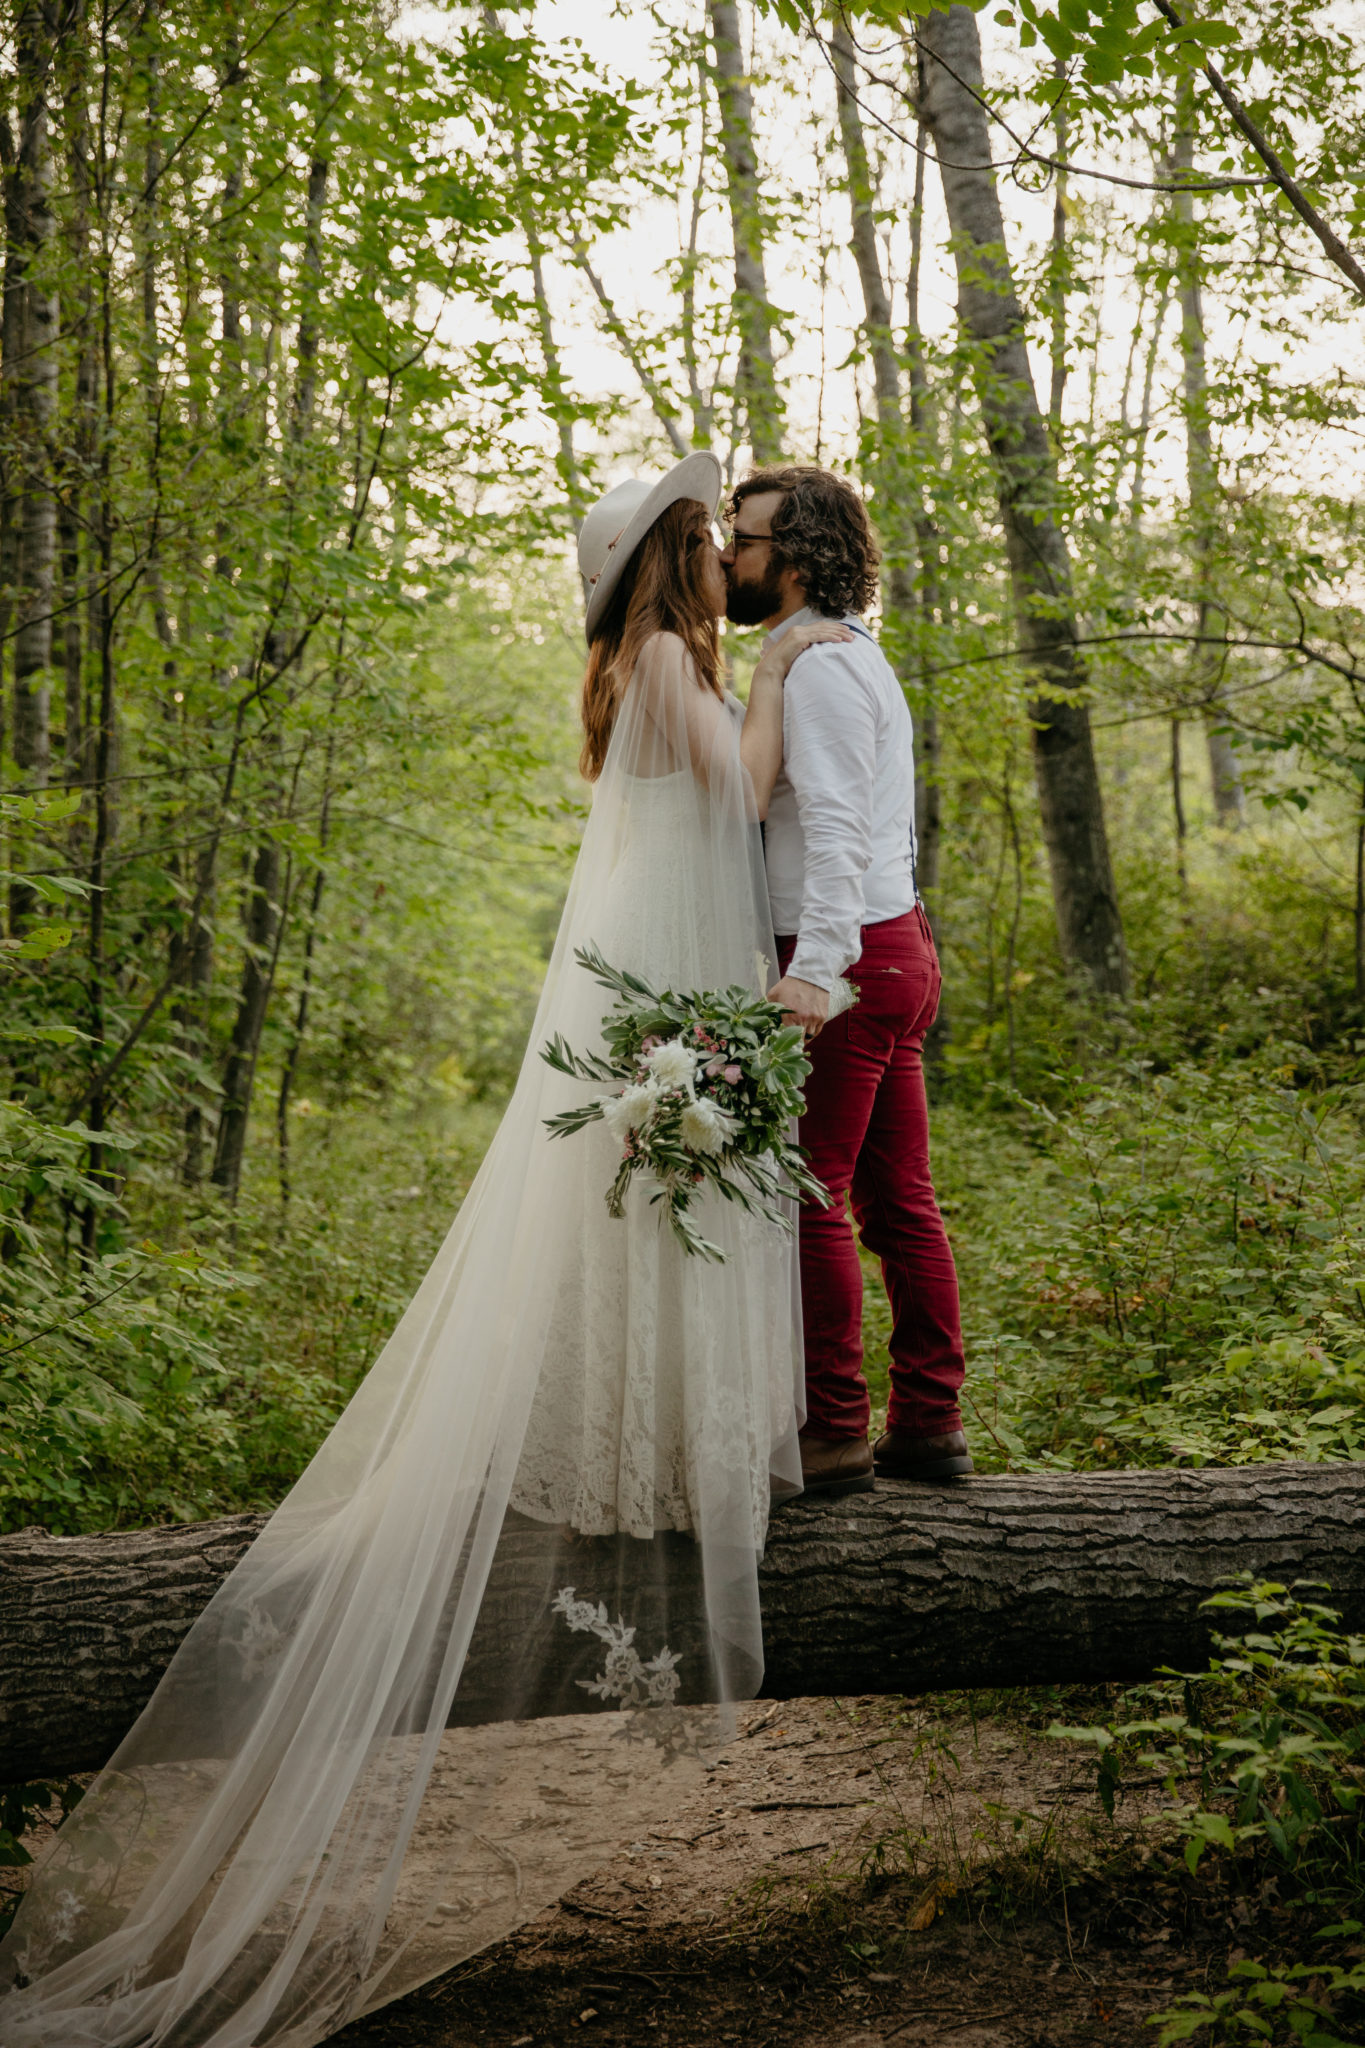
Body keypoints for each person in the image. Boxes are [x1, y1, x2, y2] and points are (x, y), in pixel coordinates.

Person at [0, 454, 845, 2048]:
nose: (722, 558)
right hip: (670, 960)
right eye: (701, 538)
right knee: (669, 1183)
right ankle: (656, 1457)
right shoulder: (668, 663)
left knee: (669, 1183)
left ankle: (666, 1440)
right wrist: (799, 664)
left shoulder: (644, 661)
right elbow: (741, 796)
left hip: (662, 955)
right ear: (672, 562)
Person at [720, 463, 972, 1497]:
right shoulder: (842, 653)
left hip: (850, 955)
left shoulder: (819, 669)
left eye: (744, 537)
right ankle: (930, 1423)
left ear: (797, 554)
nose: (730, 554)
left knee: (806, 1193)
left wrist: (814, 969)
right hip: (894, 944)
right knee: (896, 1198)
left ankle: (833, 1429)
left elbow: (831, 829)